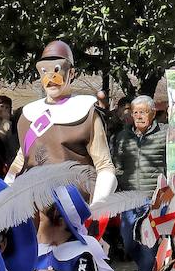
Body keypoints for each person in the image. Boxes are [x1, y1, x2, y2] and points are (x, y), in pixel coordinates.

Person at [6, 40, 116, 203]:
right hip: (33, 209)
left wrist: (97, 208)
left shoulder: (86, 113)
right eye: (45, 72)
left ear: (71, 73)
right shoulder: (27, 115)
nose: (51, 78)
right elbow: (21, 160)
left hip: (74, 211)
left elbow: (104, 166)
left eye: (57, 70)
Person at [111, 95, 167, 271]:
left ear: (152, 113)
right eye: (135, 112)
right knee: (129, 242)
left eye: (143, 112)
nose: (139, 116)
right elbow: (117, 165)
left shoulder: (165, 134)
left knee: (147, 246)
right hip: (128, 200)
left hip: (154, 200)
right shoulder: (122, 137)